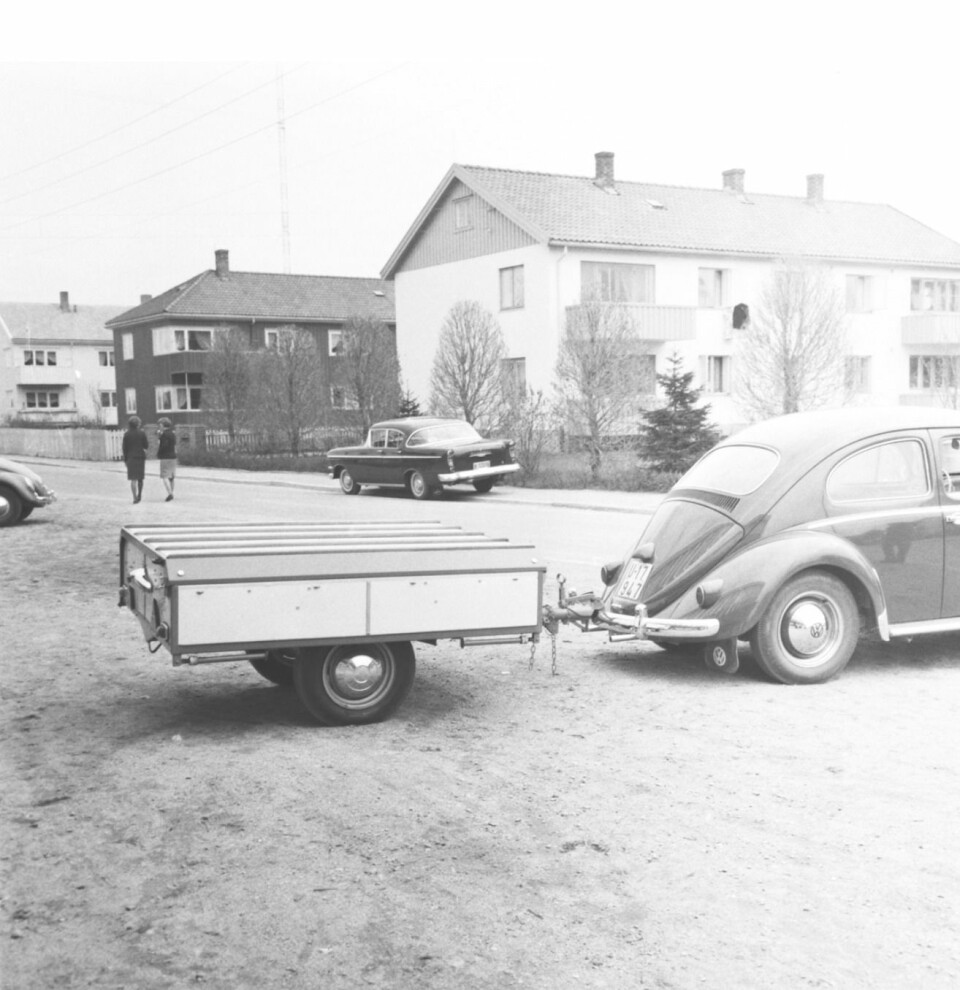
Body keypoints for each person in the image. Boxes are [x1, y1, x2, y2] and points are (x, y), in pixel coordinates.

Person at [122, 416, 148, 503]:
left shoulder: (126, 434)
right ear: (138, 424)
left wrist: (125, 460)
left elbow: (124, 448)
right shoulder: (142, 433)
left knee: (133, 479)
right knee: (140, 478)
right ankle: (139, 494)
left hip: (130, 458)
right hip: (140, 457)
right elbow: (146, 445)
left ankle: (134, 497)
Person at [157, 418, 178, 501]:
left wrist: (159, 453)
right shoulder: (173, 434)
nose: (159, 427)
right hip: (173, 456)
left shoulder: (164, 435)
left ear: (163, 425)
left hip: (165, 457)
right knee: (171, 477)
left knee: (165, 476)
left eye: (160, 425)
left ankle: (170, 493)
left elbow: (163, 446)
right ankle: (171, 492)